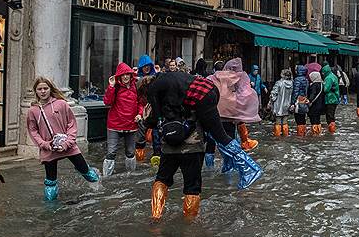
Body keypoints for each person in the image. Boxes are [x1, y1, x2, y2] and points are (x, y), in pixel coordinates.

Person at [139, 72, 263, 219]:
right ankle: (190, 225)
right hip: (193, 147)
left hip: (170, 148)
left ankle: (156, 217)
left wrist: (146, 118)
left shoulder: (163, 97)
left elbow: (153, 121)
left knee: (162, 180)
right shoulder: (183, 89)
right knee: (192, 187)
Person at [27, 77, 99, 201]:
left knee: (86, 171)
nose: (43, 91)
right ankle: (51, 206)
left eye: (45, 88)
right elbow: (33, 131)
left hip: (68, 146)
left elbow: (71, 124)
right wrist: (44, 144)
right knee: (50, 181)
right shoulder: (33, 110)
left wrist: (67, 143)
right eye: (40, 89)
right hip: (49, 149)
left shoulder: (61, 104)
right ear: (36, 91)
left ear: (50, 89)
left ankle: (98, 190)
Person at [208, 58, 260, 153]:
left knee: (212, 139)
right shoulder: (236, 78)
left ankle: (210, 165)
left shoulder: (211, 78)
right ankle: (232, 161)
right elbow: (245, 93)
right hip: (231, 112)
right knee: (230, 137)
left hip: (215, 113)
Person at [102, 62, 141, 177]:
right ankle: (106, 177)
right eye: (123, 75)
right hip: (115, 125)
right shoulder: (115, 88)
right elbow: (107, 102)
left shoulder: (136, 87)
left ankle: (130, 175)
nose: (125, 77)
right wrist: (111, 86)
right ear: (119, 76)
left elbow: (140, 103)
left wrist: (139, 114)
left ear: (130, 75)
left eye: (127, 74)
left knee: (130, 152)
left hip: (131, 125)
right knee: (111, 153)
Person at [269, 69, 294, 137]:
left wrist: (271, 101)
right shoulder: (292, 83)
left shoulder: (279, 83)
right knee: (285, 121)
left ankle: (277, 136)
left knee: (278, 121)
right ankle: (285, 135)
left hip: (279, 105)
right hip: (287, 105)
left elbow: (274, 94)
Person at [290, 65, 310, 136]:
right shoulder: (306, 79)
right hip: (304, 100)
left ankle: (300, 134)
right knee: (303, 117)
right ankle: (303, 133)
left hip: (298, 101)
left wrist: (292, 102)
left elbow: (295, 92)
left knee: (298, 118)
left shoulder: (297, 80)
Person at [322, 63, 340, 133]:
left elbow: (325, 89)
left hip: (330, 99)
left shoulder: (328, 78)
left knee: (330, 116)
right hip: (334, 98)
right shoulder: (333, 76)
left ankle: (331, 131)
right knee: (331, 115)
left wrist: (323, 84)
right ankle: (332, 131)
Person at [307, 71, 326, 135]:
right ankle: (319, 132)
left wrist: (309, 100)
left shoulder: (314, 85)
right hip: (321, 105)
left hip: (314, 106)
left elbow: (313, 94)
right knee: (318, 120)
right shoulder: (322, 84)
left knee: (313, 120)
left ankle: (314, 133)